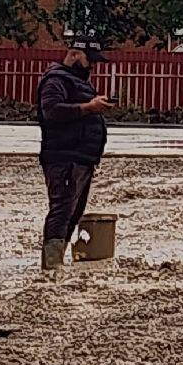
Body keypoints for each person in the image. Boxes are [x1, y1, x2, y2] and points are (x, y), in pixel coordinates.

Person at [38, 43, 112, 274]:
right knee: (62, 209)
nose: (92, 65)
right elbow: (51, 111)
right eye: (89, 59)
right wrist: (89, 107)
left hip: (82, 157)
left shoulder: (78, 80)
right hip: (64, 157)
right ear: (74, 54)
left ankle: (58, 261)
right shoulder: (56, 80)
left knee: (74, 211)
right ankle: (51, 265)